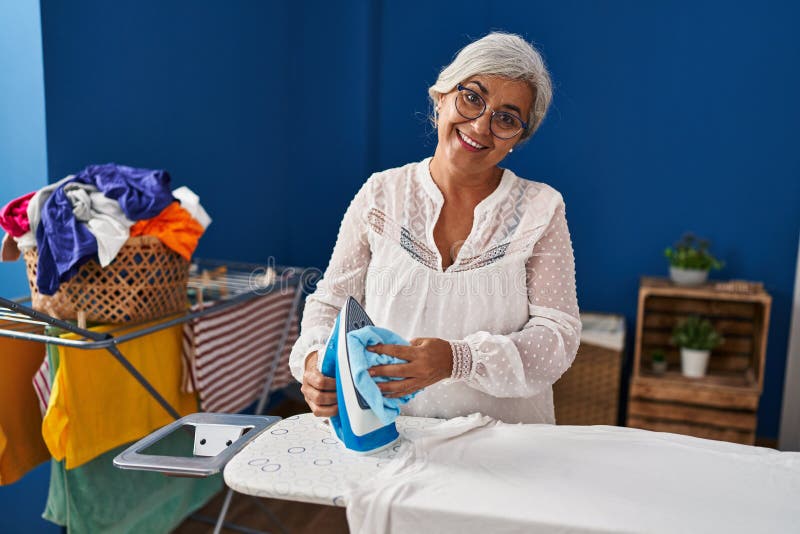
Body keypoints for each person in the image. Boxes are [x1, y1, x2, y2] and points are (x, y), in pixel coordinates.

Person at [288, 32, 581, 424]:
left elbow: (557, 335)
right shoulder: (380, 195)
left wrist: (457, 359)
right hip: (389, 436)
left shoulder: (540, 210)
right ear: (441, 96)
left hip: (508, 451)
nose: (480, 126)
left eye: (506, 118)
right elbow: (331, 303)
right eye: (472, 97)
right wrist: (314, 362)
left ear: (518, 139)